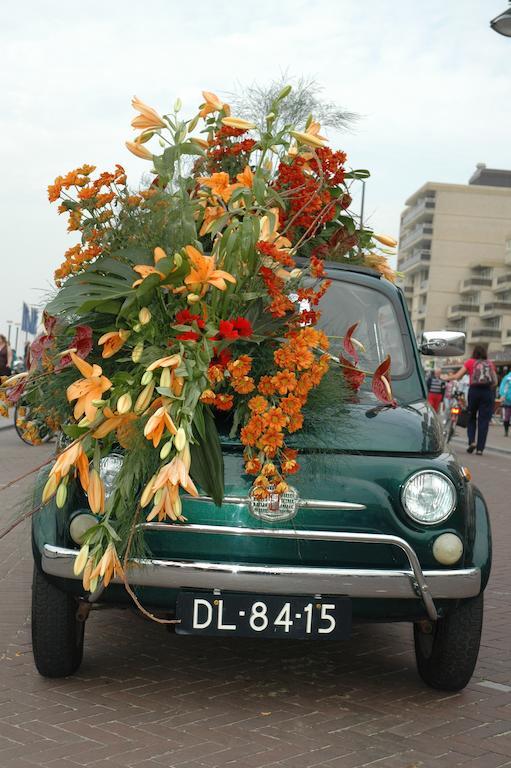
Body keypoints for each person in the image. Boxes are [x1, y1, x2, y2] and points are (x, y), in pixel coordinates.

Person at [445, 344, 497, 455]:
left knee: (471, 416)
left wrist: (445, 378)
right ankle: (480, 449)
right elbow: (495, 381)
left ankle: (472, 441)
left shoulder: (470, 362)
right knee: (484, 421)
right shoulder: (489, 363)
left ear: (474, 352)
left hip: (474, 391)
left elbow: (457, 376)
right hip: (487, 392)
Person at [498, 369, 511, 437]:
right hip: (508, 400)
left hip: (507, 399)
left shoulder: (506, 377)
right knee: (507, 417)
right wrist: (503, 395)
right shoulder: (508, 378)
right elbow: (504, 387)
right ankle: (506, 431)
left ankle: (506, 432)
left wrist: (502, 395)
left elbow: (503, 387)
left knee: (507, 417)